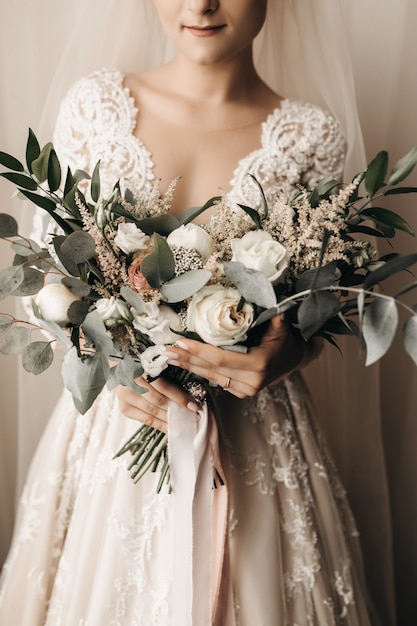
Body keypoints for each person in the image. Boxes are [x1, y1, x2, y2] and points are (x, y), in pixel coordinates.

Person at [0, 0, 384, 624]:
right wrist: (109, 361)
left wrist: (291, 352)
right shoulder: (97, 108)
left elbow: (323, 300)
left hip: (256, 433)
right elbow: (48, 284)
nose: (200, 3)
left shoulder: (309, 138)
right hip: (121, 425)